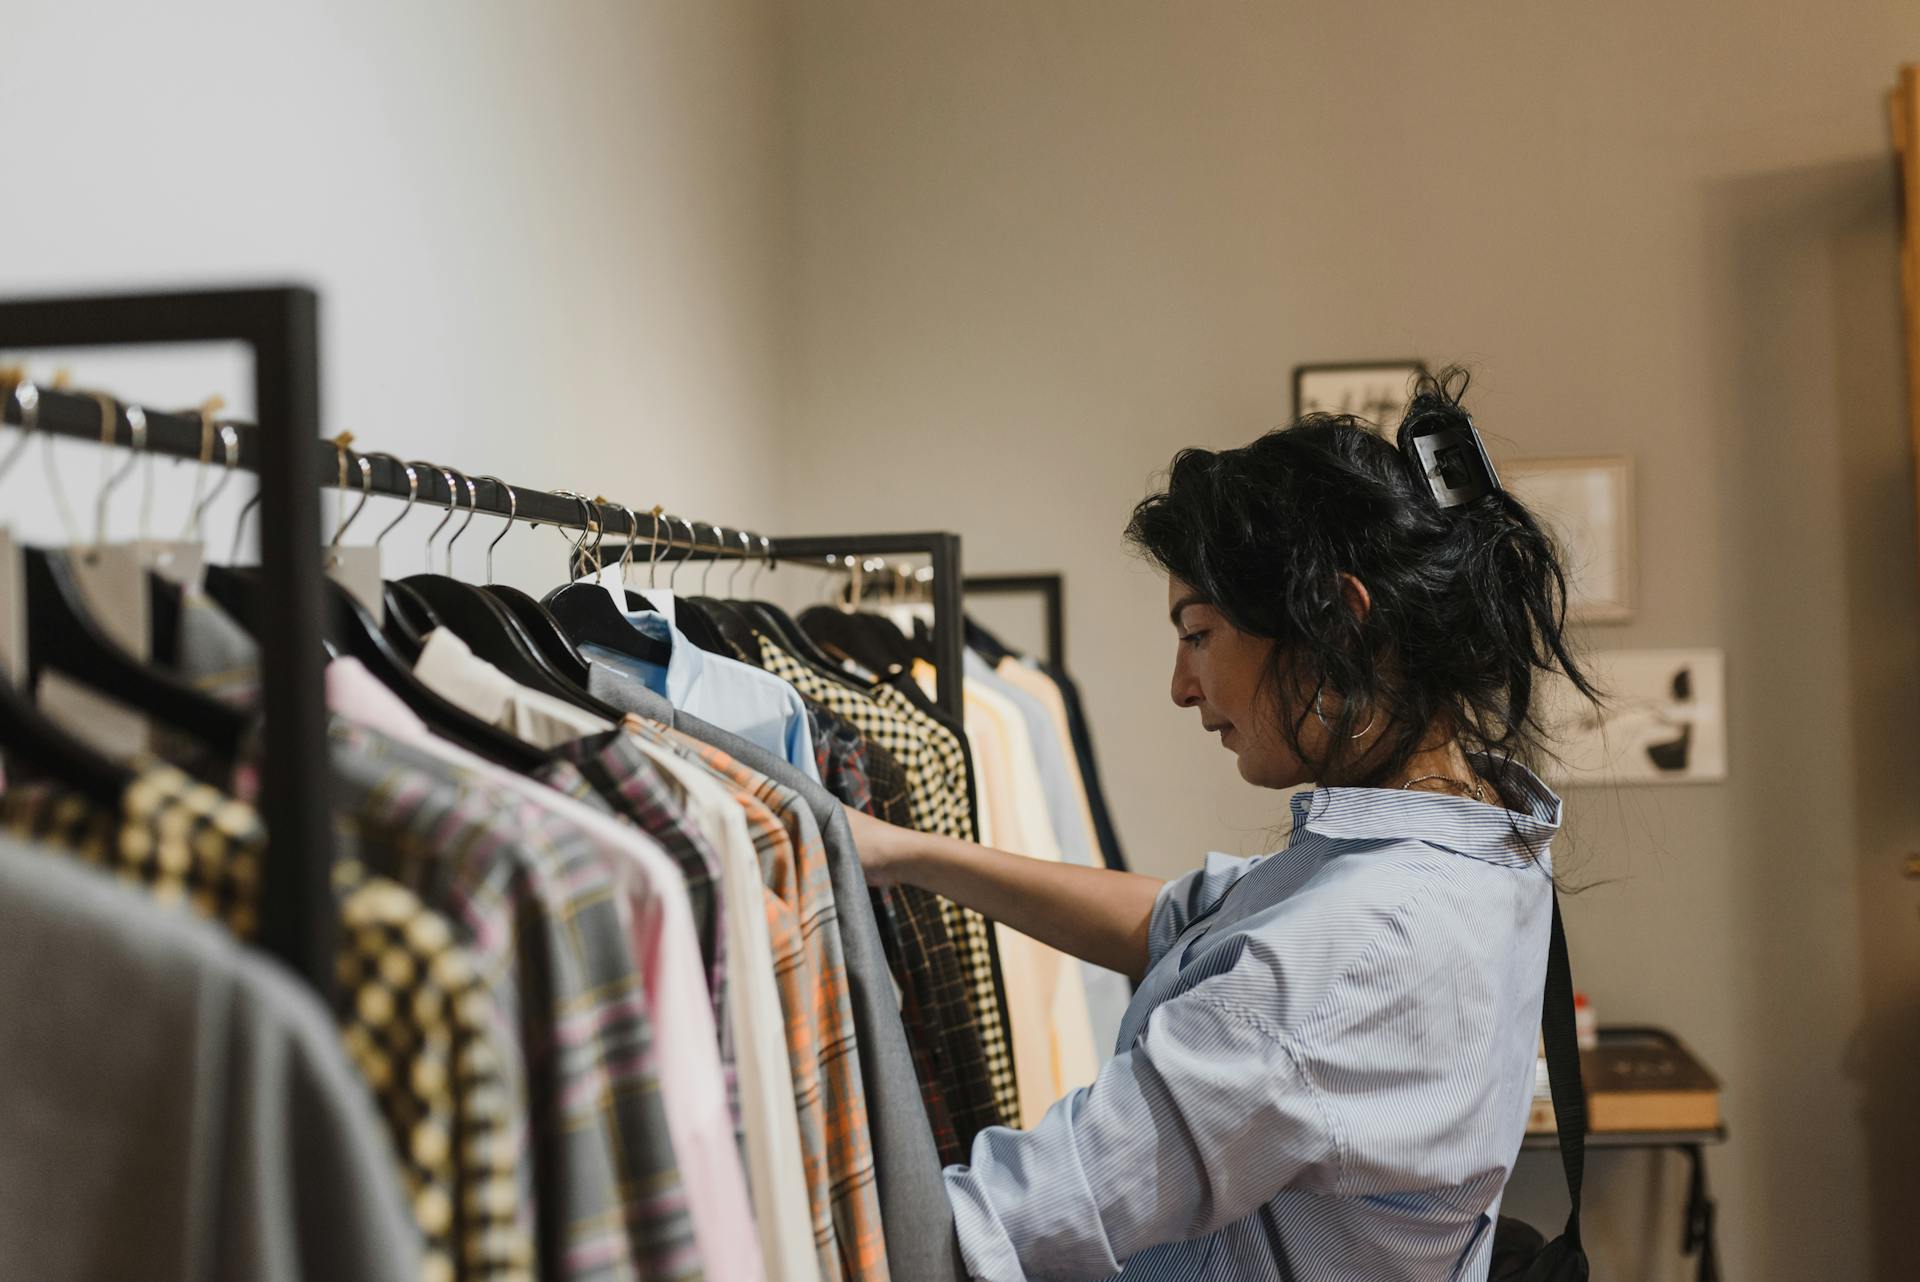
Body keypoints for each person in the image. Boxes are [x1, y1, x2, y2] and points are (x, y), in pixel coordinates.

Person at [843, 369, 1600, 1282]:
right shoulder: (1472, 834)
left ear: (1338, 625)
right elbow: (1181, 919)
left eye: (1197, 634)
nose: (1181, 686)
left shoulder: (1350, 949)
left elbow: (1007, 1219)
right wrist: (912, 853)